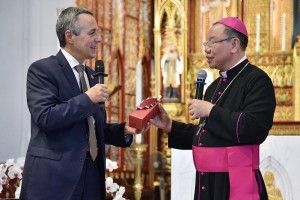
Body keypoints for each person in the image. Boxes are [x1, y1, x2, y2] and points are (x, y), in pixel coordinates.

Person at [20, 7, 147, 200]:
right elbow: (46, 117)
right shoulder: (42, 70)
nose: (99, 39)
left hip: (91, 178)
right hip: (55, 179)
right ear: (69, 36)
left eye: (98, 33)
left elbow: (94, 129)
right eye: (92, 33)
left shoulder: (90, 76)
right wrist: (87, 98)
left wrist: (125, 130)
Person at [151, 17, 276, 200]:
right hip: (207, 183)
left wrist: (211, 111)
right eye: (206, 42)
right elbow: (206, 133)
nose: (206, 49)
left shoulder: (257, 80)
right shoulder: (213, 86)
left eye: (212, 42)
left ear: (234, 44)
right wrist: (170, 125)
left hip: (235, 183)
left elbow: (254, 128)